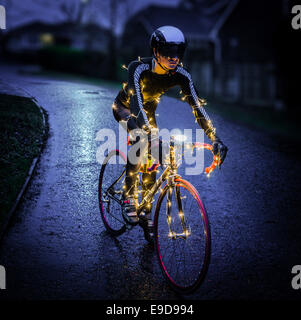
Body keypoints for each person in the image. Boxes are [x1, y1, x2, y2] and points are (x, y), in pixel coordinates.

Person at [112, 25, 228, 233]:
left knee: (156, 155)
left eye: (178, 52)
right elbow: (136, 103)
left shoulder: (181, 74)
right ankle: (129, 195)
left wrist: (215, 138)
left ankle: (146, 208)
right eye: (168, 52)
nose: (174, 58)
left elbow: (197, 107)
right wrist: (148, 134)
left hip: (147, 111)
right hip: (126, 108)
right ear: (155, 51)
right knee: (141, 139)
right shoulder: (137, 68)